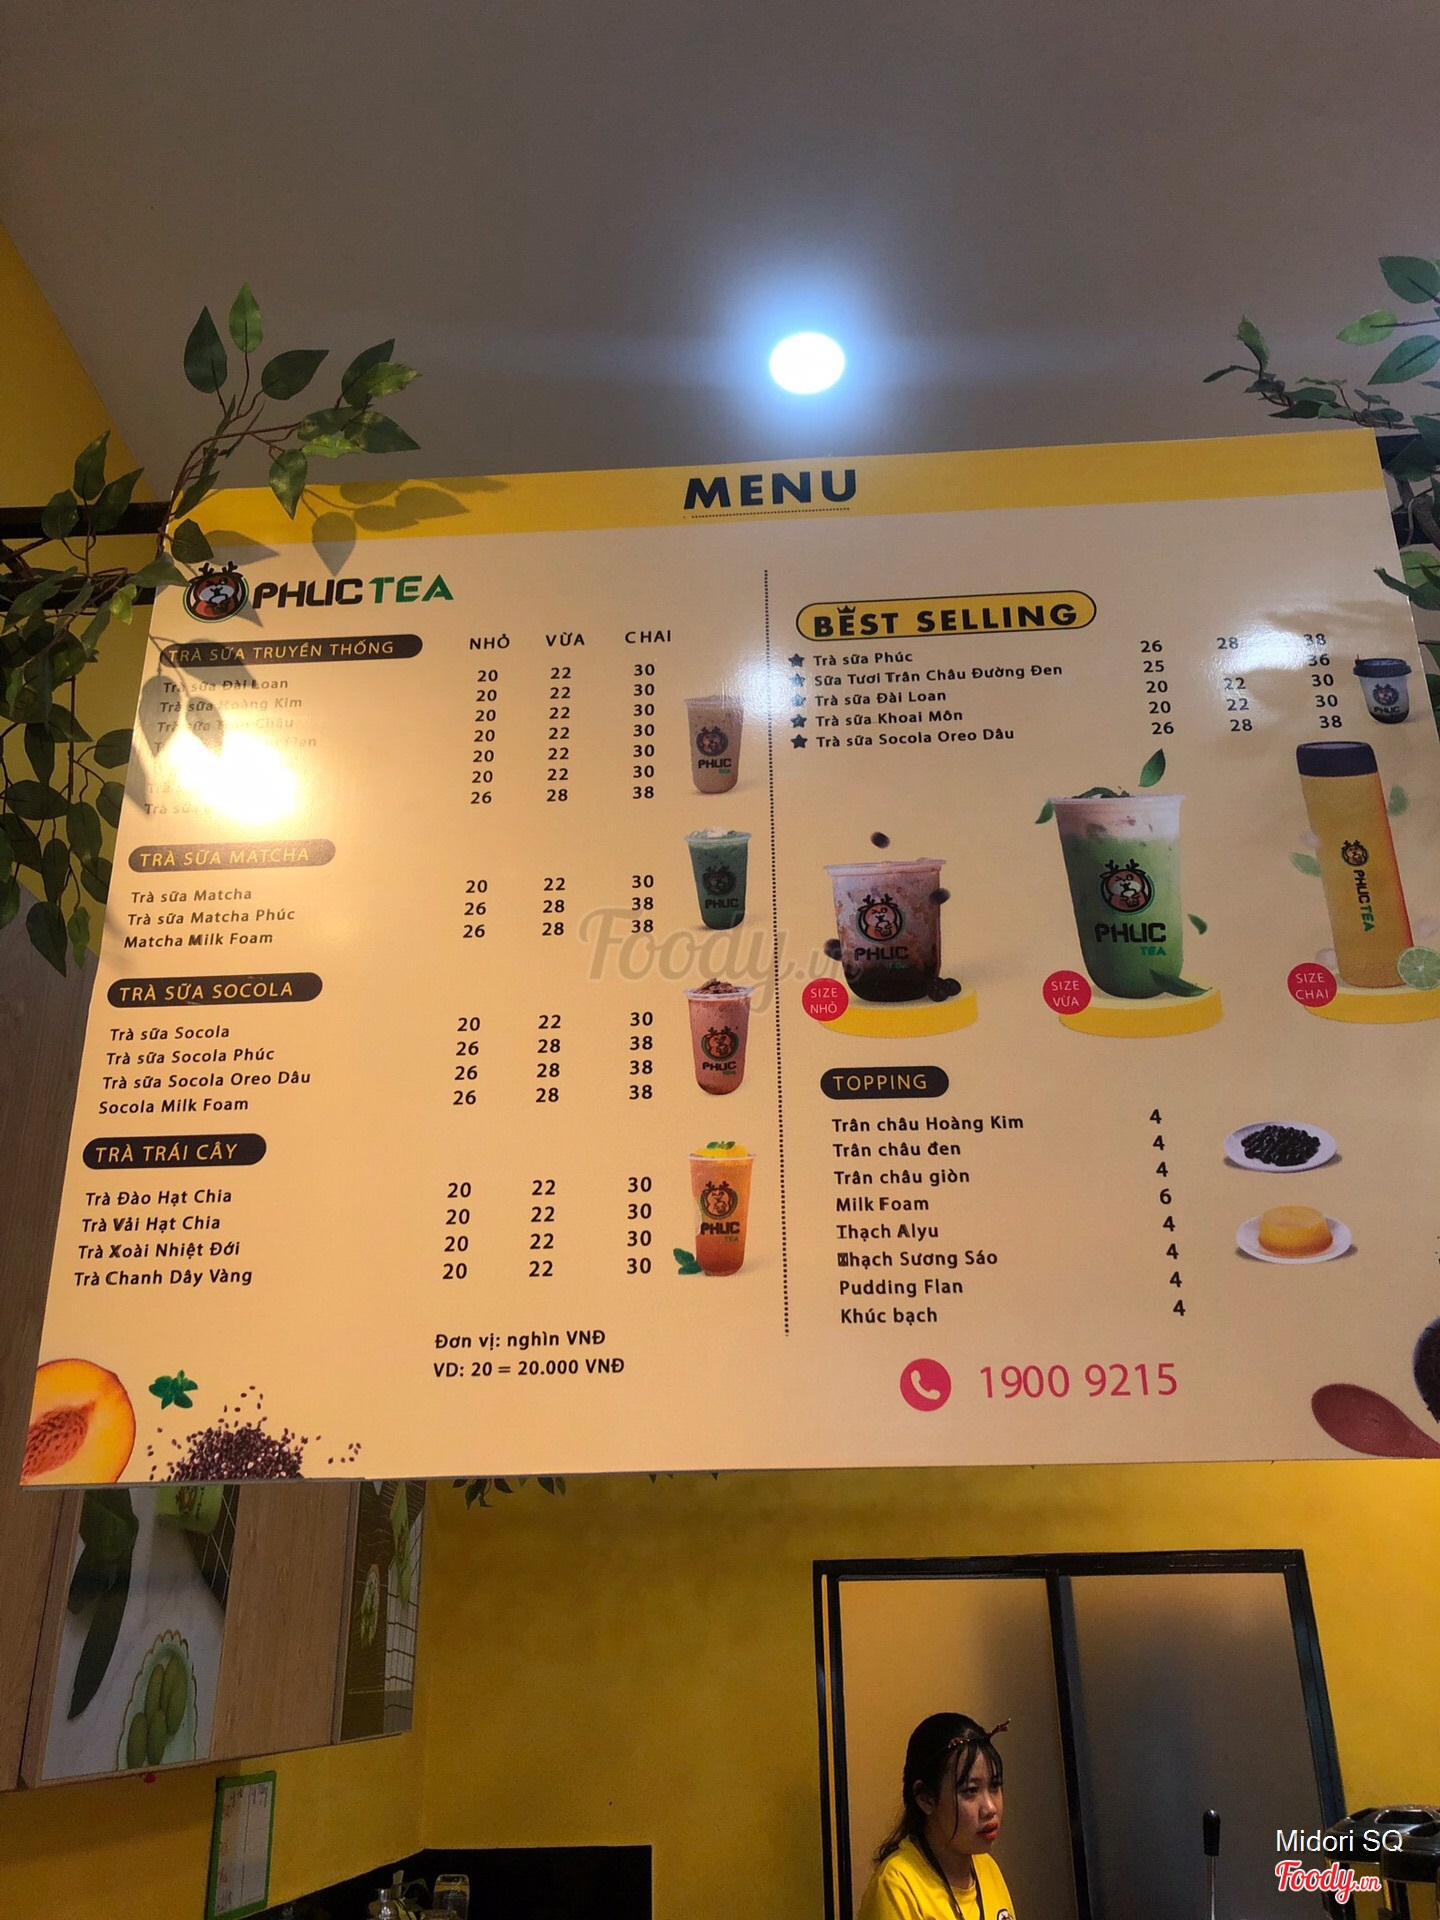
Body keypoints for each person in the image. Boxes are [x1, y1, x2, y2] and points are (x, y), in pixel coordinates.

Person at [857, 1712, 1015, 1920]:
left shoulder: (986, 1867)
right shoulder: (896, 1886)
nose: (990, 1808)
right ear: (926, 1799)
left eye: (994, 1786)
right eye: (971, 1790)